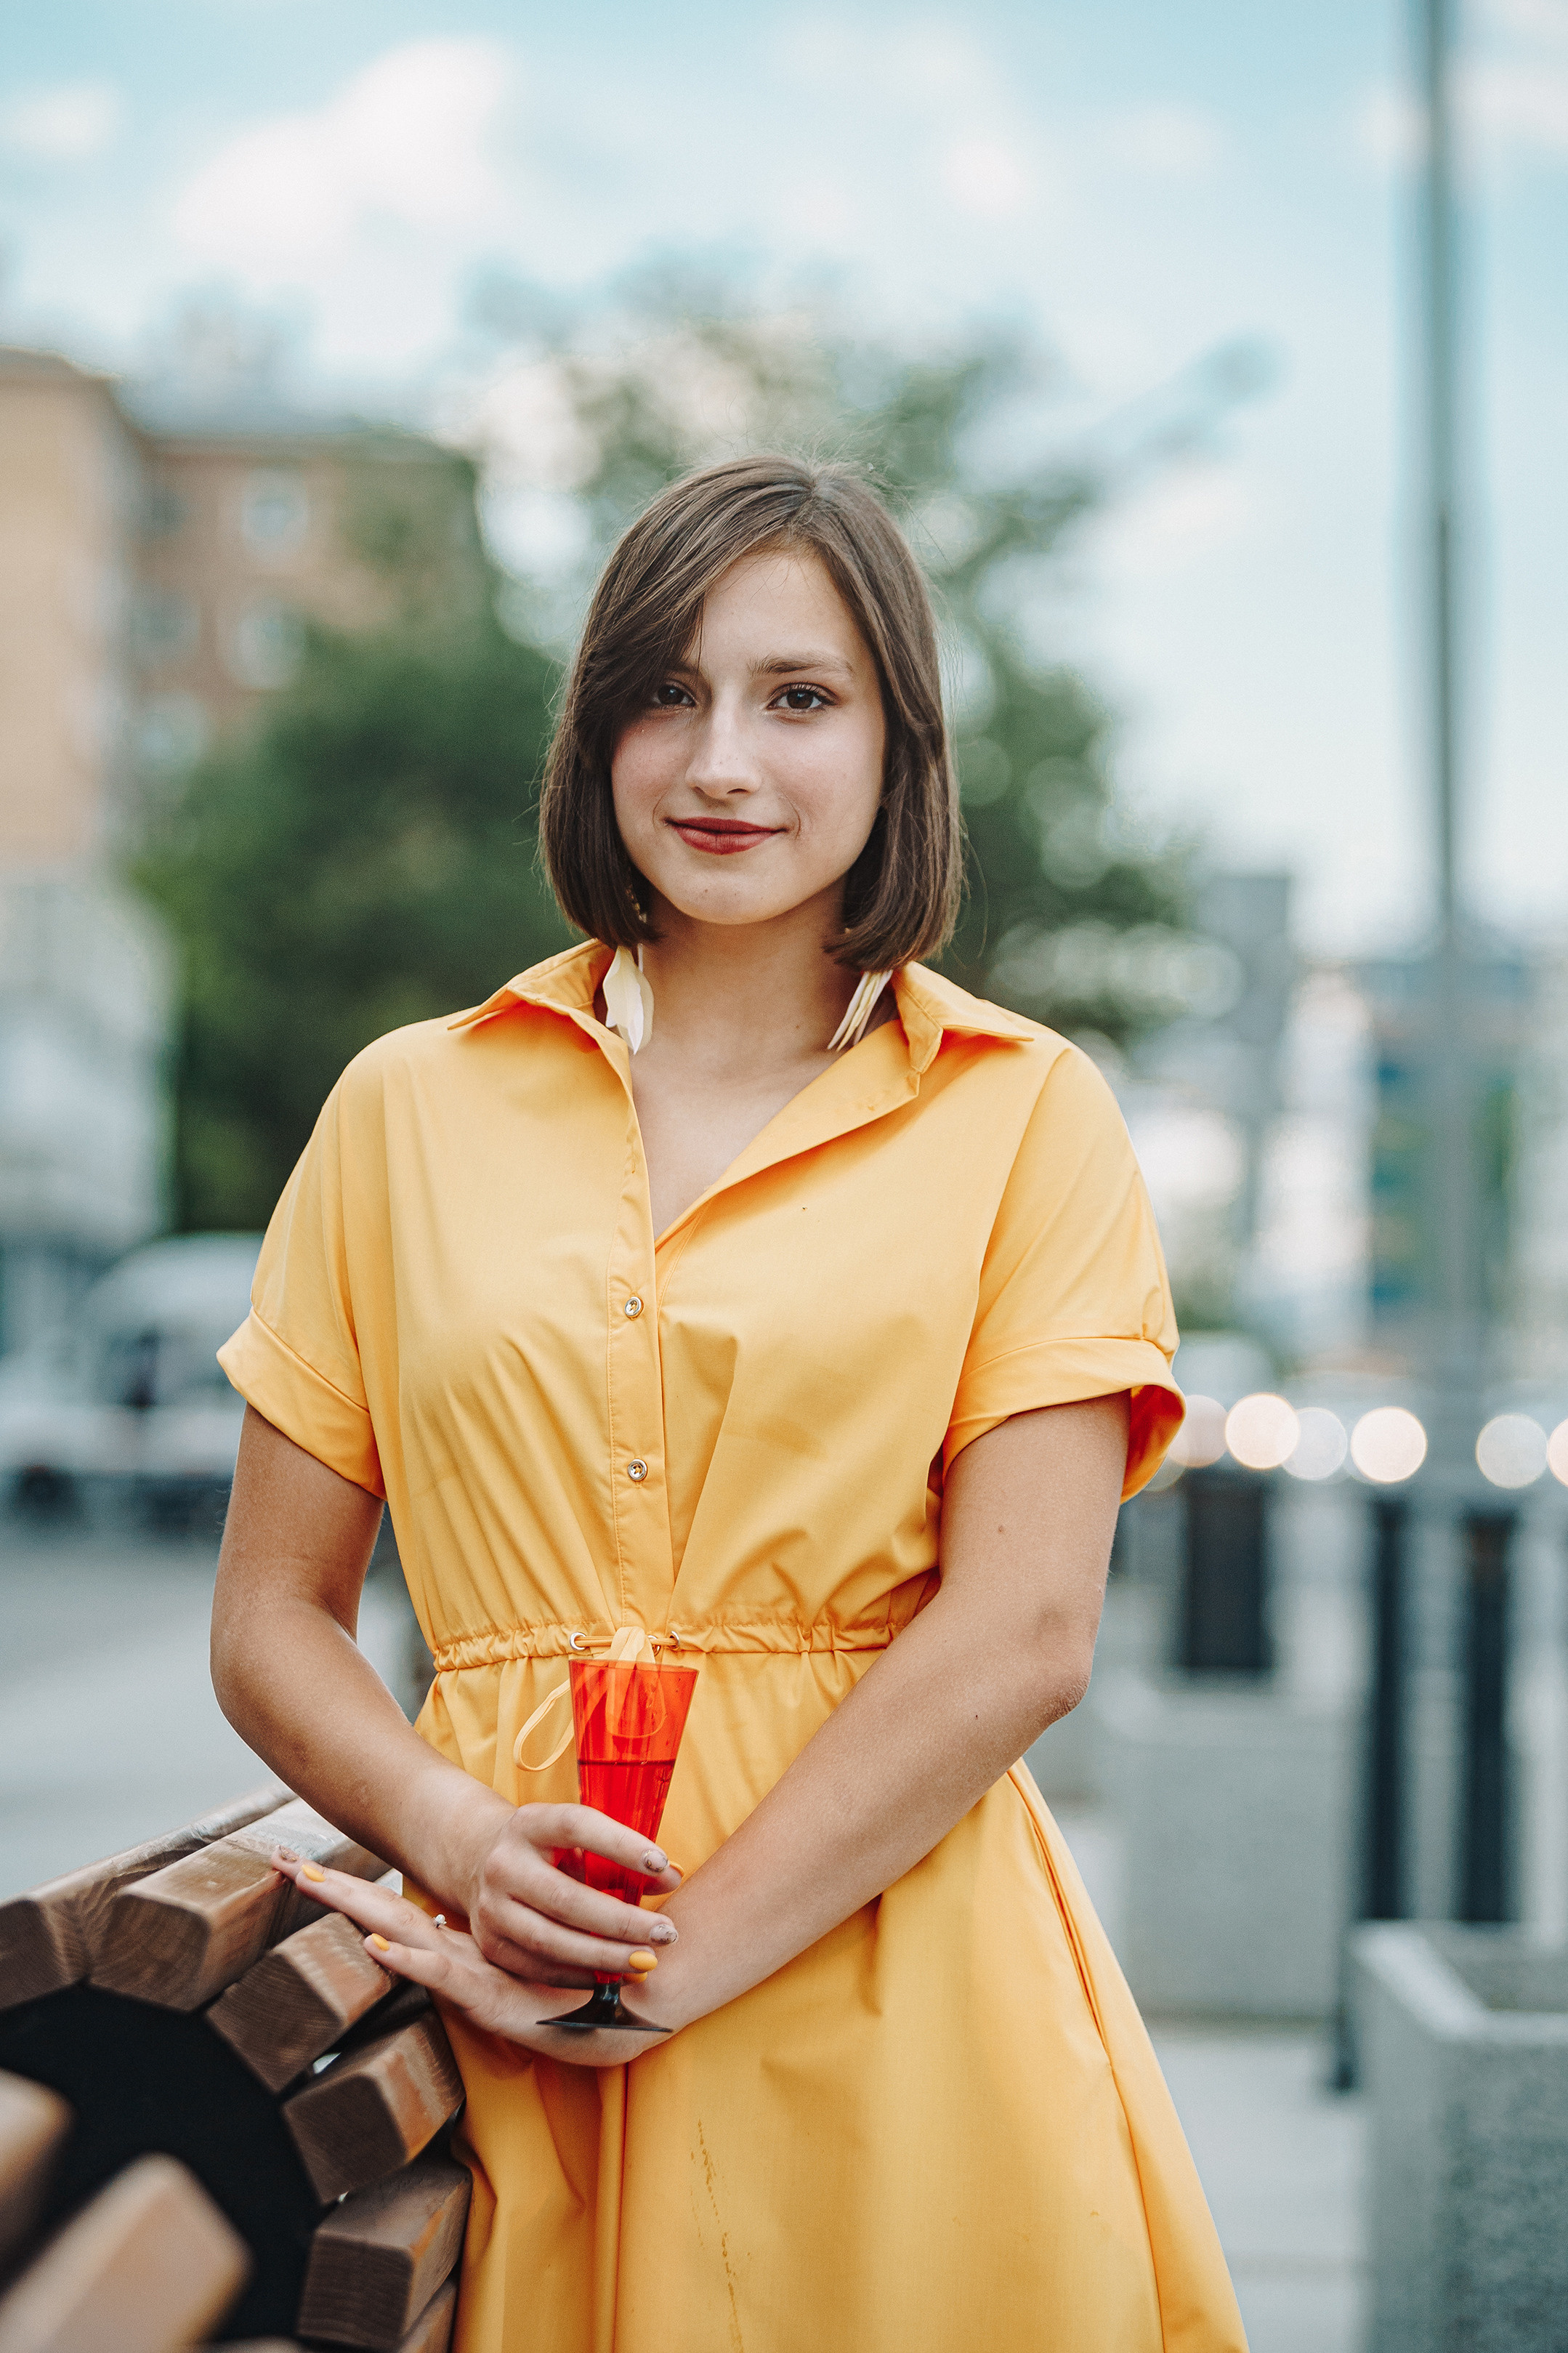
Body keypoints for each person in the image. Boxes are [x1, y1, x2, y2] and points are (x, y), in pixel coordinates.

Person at [213, 455, 1247, 2353]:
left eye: (799, 697)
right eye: (664, 692)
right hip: (502, 1994)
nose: (723, 762)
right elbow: (271, 1613)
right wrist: (454, 1833)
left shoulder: (1028, 1113)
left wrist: (668, 1968)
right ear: (595, 733)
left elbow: (1027, 1628)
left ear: (896, 745)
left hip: (896, 2000)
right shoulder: (404, 1109)